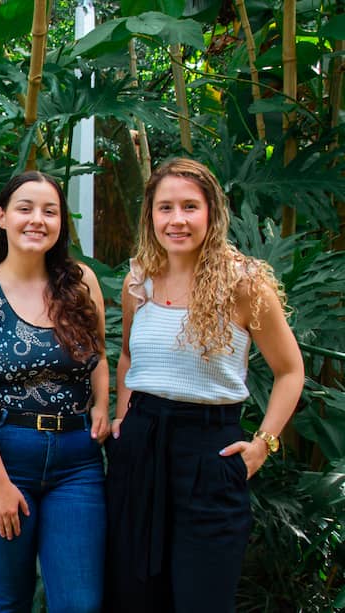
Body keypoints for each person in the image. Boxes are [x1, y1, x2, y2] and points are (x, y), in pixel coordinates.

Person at [106, 157, 304, 613]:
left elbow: (290, 370)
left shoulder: (245, 285)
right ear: (150, 215)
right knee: (135, 597)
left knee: (202, 599)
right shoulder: (139, 280)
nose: (177, 220)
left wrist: (263, 444)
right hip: (141, 448)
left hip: (209, 453)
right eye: (165, 208)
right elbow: (129, 355)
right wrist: (122, 415)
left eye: (190, 207)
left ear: (212, 214)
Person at [0, 171, 109, 613]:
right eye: (25, 208)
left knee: (79, 603)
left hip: (76, 462)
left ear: (60, 223)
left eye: (50, 211)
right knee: (9, 599)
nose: (37, 219)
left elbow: (99, 353)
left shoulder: (81, 282)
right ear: (1, 216)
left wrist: (102, 402)